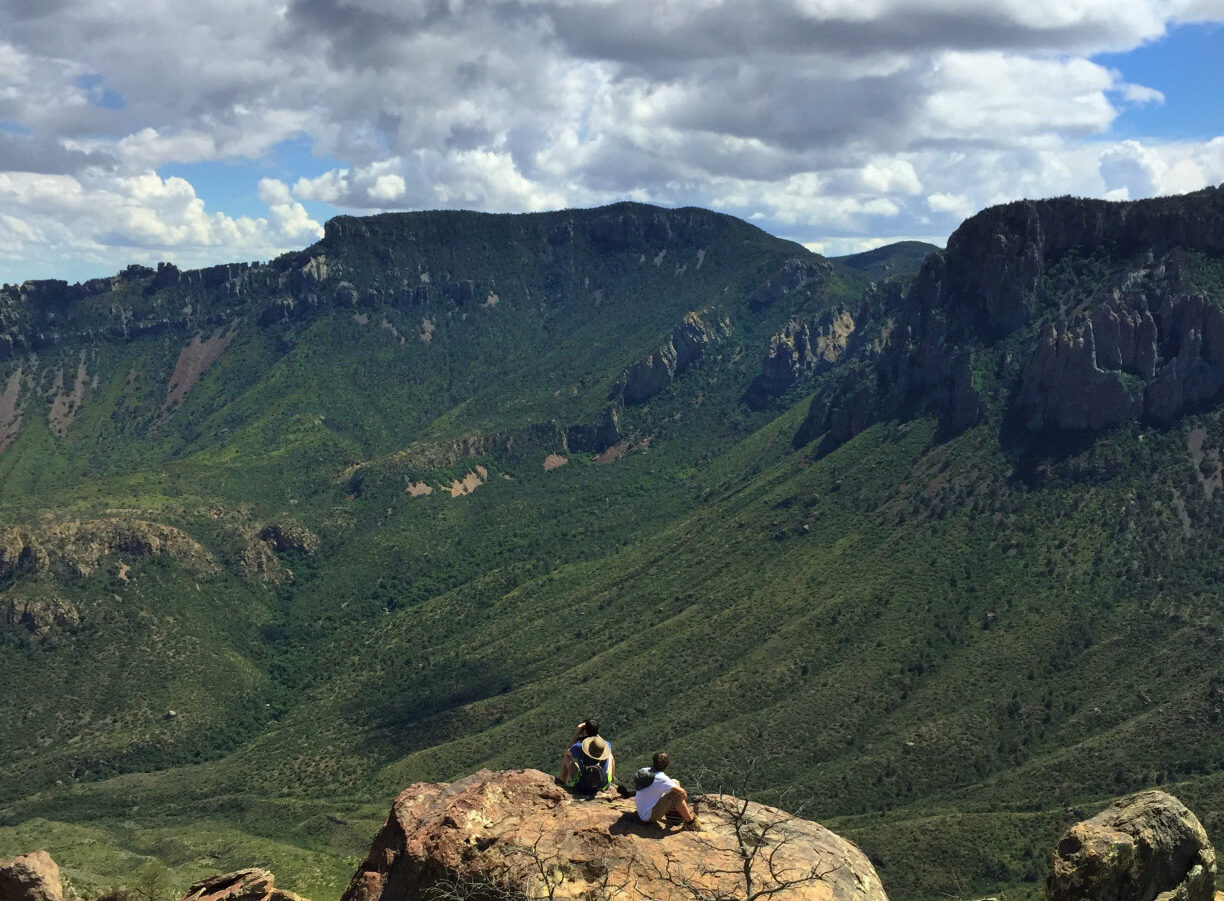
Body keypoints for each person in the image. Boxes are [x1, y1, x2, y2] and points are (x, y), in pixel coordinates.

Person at [634, 752, 701, 830]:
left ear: (653, 761)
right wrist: (683, 800)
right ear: (667, 765)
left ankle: (673, 815)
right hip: (648, 817)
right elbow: (682, 793)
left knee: (674, 782)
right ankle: (690, 823)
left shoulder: (643, 770)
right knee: (676, 795)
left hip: (642, 809)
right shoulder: (661, 778)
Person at [557, 719, 615, 792]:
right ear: (598, 731)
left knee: (566, 757)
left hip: (583, 787)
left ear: (585, 731)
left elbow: (566, 752)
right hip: (603, 785)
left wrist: (577, 733)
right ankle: (611, 781)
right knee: (610, 755)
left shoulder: (578, 747)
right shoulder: (607, 744)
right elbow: (600, 743)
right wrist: (594, 730)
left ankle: (562, 785)